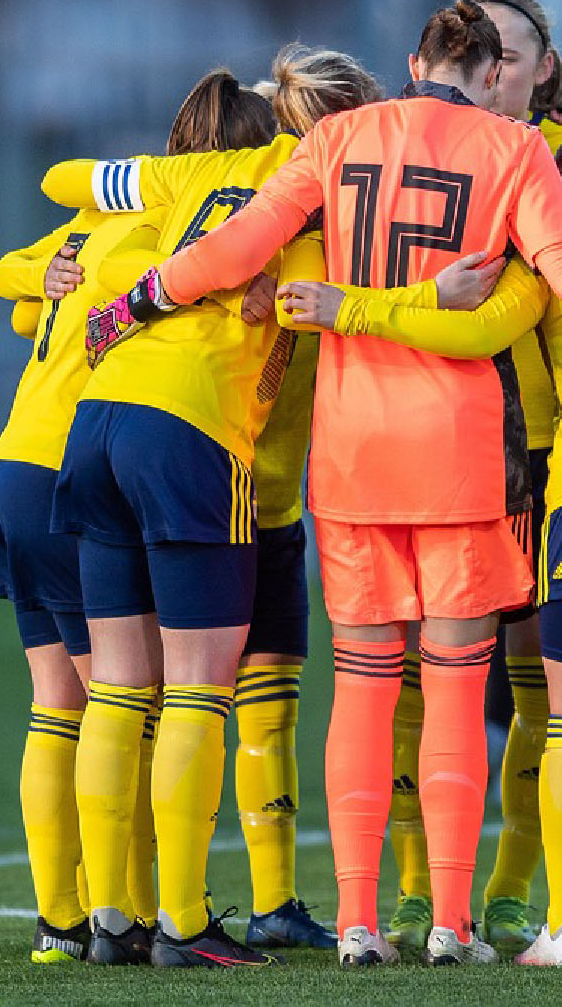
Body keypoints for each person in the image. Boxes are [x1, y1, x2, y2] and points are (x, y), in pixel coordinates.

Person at [84, 0, 562, 969]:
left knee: (360, 687)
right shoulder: (514, 149)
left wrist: (139, 297)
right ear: (489, 74)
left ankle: (357, 922)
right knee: (451, 687)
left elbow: (236, 250)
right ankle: (449, 920)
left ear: (414, 61)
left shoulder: (341, 136)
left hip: (353, 452)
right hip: (459, 452)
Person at [43, 67, 344, 970]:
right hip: (192, 433)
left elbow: (65, 179)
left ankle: (111, 921)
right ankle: (182, 922)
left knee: (120, 688)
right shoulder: (305, 194)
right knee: (200, 692)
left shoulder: (180, 182)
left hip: (100, 417)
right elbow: (325, 309)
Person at [0, 203, 159, 964]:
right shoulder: (168, 229)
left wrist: (41, 282)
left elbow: (9, 282)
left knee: (58, 702)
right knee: (126, 703)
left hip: (6, 466)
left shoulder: (91, 220)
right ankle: (127, 913)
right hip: (61, 474)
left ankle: (60, 921)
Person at [456, 0, 562, 950]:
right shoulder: (410, 152)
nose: (492, 62)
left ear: (543, 69)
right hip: (432, 440)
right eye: (478, 44)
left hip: (544, 445)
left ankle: (512, 887)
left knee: (538, 683)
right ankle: (420, 892)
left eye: (512, 47)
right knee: (417, 679)